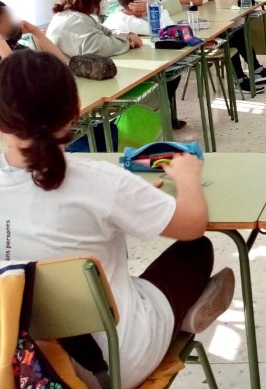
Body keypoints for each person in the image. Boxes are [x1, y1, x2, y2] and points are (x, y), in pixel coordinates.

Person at [0, 50, 235, 389]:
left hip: (23, 363)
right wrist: (186, 179)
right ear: (76, 107)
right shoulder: (100, 181)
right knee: (197, 248)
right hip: (113, 362)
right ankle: (180, 319)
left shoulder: (99, 183)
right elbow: (191, 224)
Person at [104, 0, 185, 129]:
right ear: (135, 5)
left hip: (124, 69)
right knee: (172, 73)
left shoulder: (118, 14)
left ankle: (164, 116)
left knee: (172, 71)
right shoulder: (131, 22)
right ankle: (159, 117)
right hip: (129, 75)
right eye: (147, 1)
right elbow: (170, 30)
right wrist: (155, 7)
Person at [46, 0, 142, 57]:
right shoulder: (77, 21)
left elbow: (105, 31)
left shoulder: (68, 15)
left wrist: (126, 35)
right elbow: (103, 48)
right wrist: (128, 41)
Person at [0, 1, 67, 63]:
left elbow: (62, 65)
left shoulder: (19, 49)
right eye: (2, 21)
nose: (10, 23)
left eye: (9, 17)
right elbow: (14, 73)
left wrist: (36, 31)